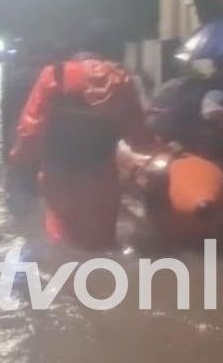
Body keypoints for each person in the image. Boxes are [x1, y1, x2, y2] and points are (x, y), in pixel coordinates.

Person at [9, 25, 153, 249]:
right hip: (101, 178)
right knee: (102, 244)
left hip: (59, 177)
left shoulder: (54, 75)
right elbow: (139, 138)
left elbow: (30, 130)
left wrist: (19, 163)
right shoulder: (121, 79)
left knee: (61, 244)